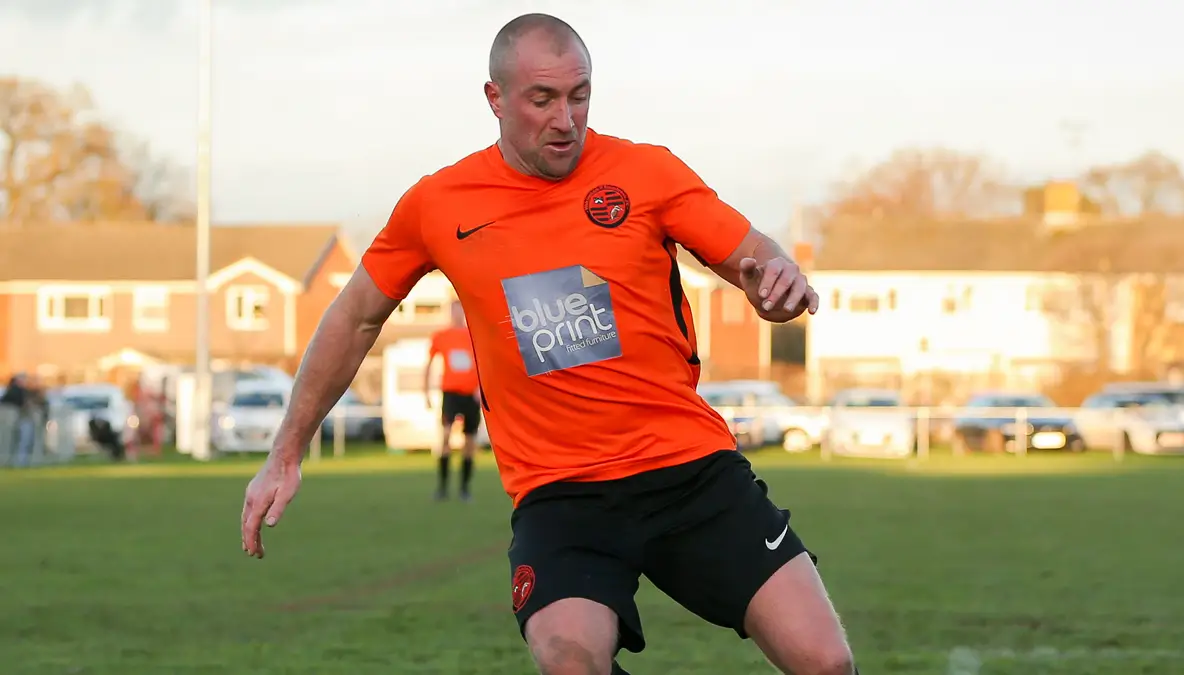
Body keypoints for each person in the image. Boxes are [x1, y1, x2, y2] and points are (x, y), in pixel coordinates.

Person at [241, 13, 857, 675]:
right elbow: (355, 316)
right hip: (563, 496)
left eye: (580, 95)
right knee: (569, 662)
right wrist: (287, 447)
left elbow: (750, 256)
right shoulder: (437, 204)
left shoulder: (646, 172)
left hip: (690, 472)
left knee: (825, 661)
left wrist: (772, 279)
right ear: (495, 99)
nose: (567, 119)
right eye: (543, 99)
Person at [424, 299, 482, 501]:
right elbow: (429, 364)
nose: (457, 315)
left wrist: (480, 389)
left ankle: (465, 488)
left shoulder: (474, 335)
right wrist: (426, 393)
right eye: (454, 311)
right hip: (450, 394)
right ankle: (442, 488)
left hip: (470, 396)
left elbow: (485, 363)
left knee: (469, 442)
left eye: (460, 311)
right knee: (446, 437)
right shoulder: (441, 337)